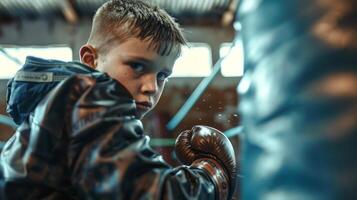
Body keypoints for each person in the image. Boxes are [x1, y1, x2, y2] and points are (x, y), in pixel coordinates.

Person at [0, 0, 237, 199]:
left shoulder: (53, 111)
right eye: (136, 66)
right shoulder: (86, 96)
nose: (151, 87)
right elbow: (150, 193)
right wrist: (210, 176)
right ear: (91, 60)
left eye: (162, 75)